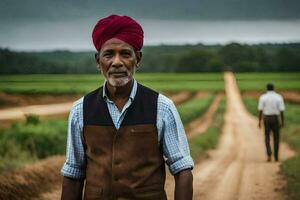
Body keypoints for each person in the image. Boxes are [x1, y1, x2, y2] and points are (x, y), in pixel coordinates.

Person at [60, 15, 194, 200]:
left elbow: (183, 170)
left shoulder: (162, 107)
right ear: (98, 61)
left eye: (125, 53)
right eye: (108, 54)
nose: (117, 62)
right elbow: (73, 175)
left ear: (137, 59)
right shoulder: (80, 110)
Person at [258, 83, 285, 162]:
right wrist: (282, 121)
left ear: (267, 88)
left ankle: (269, 155)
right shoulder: (278, 97)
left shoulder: (263, 97)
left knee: (267, 137)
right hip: (275, 118)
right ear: (274, 88)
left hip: (266, 119)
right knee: (276, 138)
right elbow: (282, 110)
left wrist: (259, 121)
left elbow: (260, 110)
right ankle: (276, 156)